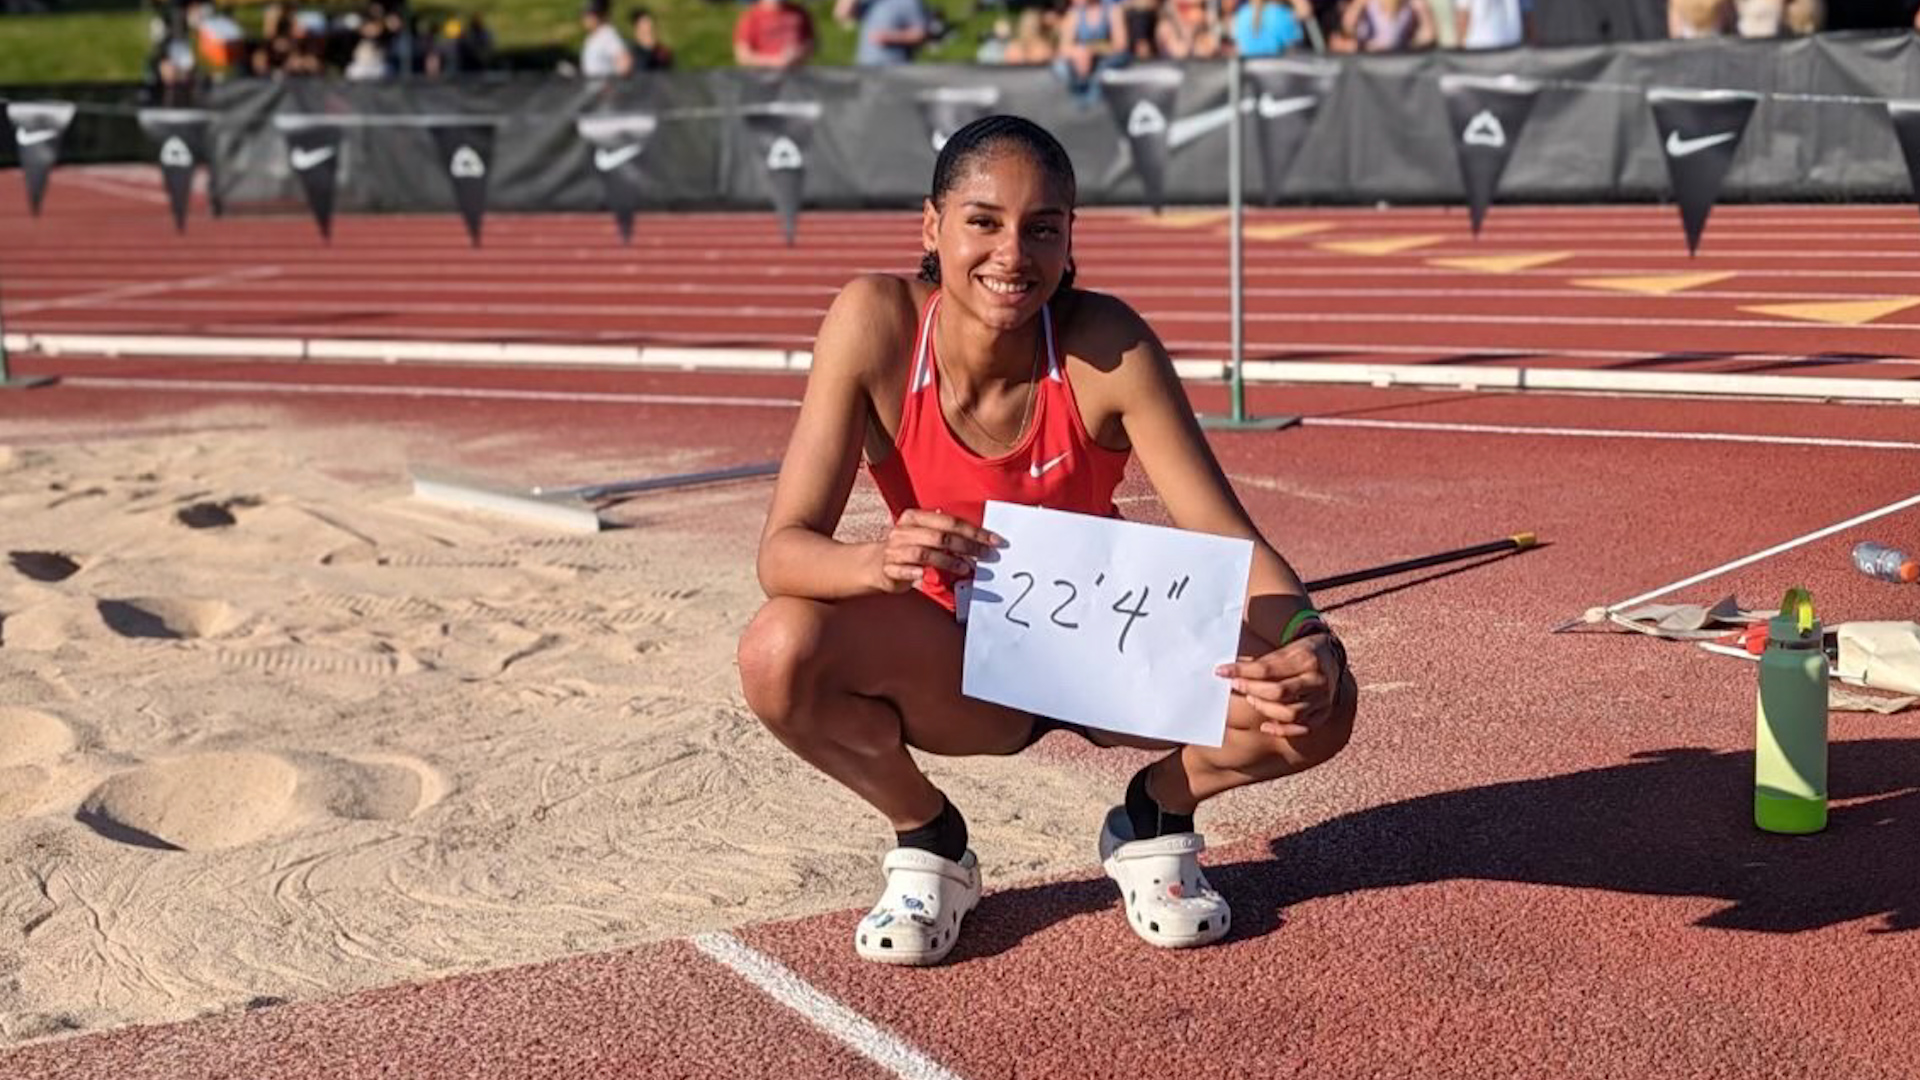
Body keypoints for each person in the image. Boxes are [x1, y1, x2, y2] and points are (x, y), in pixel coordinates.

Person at [736, 115, 1357, 967]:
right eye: (983, 222)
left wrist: (1308, 636)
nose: (1011, 254)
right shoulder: (874, 323)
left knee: (1320, 708)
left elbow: (1223, 534)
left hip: (1104, 654)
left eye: (1042, 229)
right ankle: (930, 837)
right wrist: (873, 561)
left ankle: (1155, 813)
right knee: (779, 649)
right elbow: (784, 551)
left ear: (1070, 239)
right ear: (932, 227)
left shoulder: (1108, 344)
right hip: (953, 664)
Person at [1053, 0, 1130, 104]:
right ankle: (1075, 99)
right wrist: (1078, 52)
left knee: (1104, 69)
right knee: (1060, 66)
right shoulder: (1074, 13)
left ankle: (1093, 104)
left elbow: (1120, 45)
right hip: (1083, 61)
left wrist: (1091, 50)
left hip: (1108, 59)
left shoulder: (1112, 9)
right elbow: (1063, 47)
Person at [834, 0, 932, 66]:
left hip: (896, 67)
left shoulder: (910, 2)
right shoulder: (869, 2)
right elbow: (842, 15)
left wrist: (892, 37)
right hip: (865, 66)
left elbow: (921, 34)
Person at [734, 0, 816, 68]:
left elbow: (812, 43)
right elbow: (743, 56)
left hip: (797, 74)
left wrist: (798, 54)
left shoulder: (800, 13)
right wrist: (775, 61)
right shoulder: (751, 16)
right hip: (764, 77)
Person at [1231, 0, 1313, 55]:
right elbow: (1296, 47)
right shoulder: (1282, 16)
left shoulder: (1240, 16)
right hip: (1279, 75)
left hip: (1249, 78)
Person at [580, 0, 633, 77]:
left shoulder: (608, 35)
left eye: (589, 15)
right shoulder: (592, 37)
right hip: (591, 85)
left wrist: (615, 83)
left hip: (604, 86)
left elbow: (625, 62)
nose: (586, 19)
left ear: (599, 15)